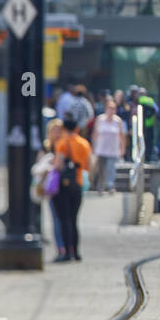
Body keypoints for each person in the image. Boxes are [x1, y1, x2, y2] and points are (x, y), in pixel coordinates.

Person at [52, 112, 92, 262]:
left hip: (64, 185)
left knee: (64, 219)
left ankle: (67, 252)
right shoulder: (84, 144)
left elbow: (58, 164)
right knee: (74, 219)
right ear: (76, 128)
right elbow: (89, 165)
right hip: (79, 183)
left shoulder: (62, 143)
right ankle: (76, 251)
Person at [31, 117, 66, 258]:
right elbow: (37, 167)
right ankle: (60, 249)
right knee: (56, 219)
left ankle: (67, 247)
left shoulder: (64, 145)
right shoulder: (46, 147)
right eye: (54, 130)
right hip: (51, 188)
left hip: (64, 186)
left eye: (59, 130)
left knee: (65, 219)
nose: (56, 133)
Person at [91, 95, 127, 193]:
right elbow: (95, 133)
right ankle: (100, 186)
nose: (111, 110)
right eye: (109, 108)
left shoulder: (117, 121)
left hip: (112, 148)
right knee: (101, 168)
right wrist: (93, 147)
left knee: (111, 168)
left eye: (113, 109)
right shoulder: (100, 119)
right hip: (101, 148)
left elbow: (121, 135)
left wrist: (122, 147)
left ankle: (110, 186)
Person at [127, 83, 158, 161]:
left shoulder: (149, 102)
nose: (141, 95)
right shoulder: (131, 103)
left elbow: (157, 111)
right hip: (136, 127)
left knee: (147, 143)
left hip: (147, 126)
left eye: (143, 94)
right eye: (139, 93)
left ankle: (147, 157)